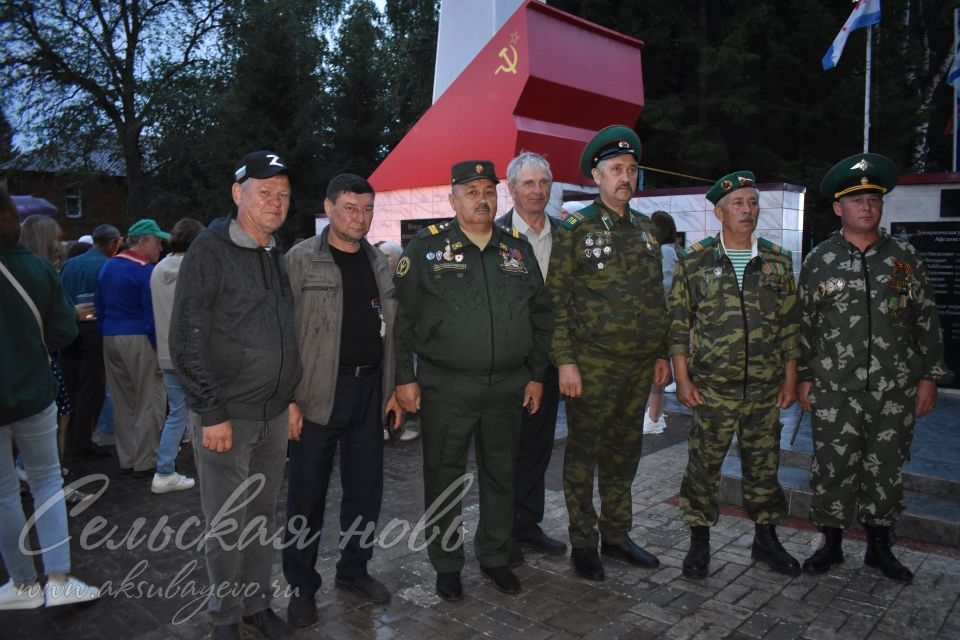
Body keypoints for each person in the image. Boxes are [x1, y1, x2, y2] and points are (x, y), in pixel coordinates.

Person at [393, 160, 552, 601]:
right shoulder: (426, 251)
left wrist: (537, 375)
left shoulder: (516, 251)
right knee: (443, 475)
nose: (481, 199)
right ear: (453, 199)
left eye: (488, 190)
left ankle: (496, 556)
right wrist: (404, 379)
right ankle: (446, 563)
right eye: (471, 191)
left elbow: (541, 315)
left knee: (501, 474)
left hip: (507, 387)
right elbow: (402, 321)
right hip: (447, 386)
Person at [798, 153, 953, 583]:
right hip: (834, 389)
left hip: (895, 389)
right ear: (838, 208)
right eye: (857, 200)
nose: (867, 206)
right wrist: (805, 379)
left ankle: (879, 547)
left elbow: (926, 321)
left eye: (873, 198)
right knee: (832, 467)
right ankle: (829, 544)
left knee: (885, 467)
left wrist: (929, 377)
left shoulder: (905, 259)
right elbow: (804, 325)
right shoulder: (819, 261)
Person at [171, 150, 302, 640]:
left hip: (272, 414)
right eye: (264, 192)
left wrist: (288, 398)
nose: (275, 202)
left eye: (283, 194)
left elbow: (281, 332)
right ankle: (226, 616)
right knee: (227, 523)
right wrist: (210, 411)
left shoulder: (273, 251)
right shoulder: (211, 249)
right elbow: (187, 335)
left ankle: (256, 605)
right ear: (237, 193)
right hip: (228, 416)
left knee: (261, 517)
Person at [546, 125, 669, 582]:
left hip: (638, 366)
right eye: (616, 169)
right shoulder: (576, 229)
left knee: (625, 453)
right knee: (583, 454)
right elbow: (556, 301)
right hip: (592, 365)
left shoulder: (646, 231)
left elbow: (656, 297)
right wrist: (565, 360)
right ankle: (583, 542)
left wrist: (659, 353)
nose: (625, 177)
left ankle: (616, 534)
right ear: (597, 176)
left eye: (631, 169)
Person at [283, 174, 403, 627]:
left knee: (365, 492)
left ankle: (354, 569)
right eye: (350, 207)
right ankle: (301, 585)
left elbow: (390, 331)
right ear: (329, 207)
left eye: (367, 208)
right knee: (306, 496)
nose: (360, 217)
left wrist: (391, 388)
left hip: (369, 392)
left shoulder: (379, 262)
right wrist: (289, 400)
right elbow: (283, 335)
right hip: (316, 394)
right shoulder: (300, 260)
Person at [668, 172, 801, 580]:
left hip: (763, 388)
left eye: (753, 202)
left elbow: (791, 326)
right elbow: (677, 325)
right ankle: (699, 543)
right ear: (720, 211)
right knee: (703, 467)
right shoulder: (696, 260)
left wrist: (790, 379)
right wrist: (683, 379)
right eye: (739, 203)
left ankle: (766, 540)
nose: (748, 210)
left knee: (764, 467)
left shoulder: (777, 261)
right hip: (712, 388)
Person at [0, 187, 100, 609]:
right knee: (45, 482)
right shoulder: (33, 268)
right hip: (33, 390)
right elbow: (63, 332)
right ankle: (58, 578)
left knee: (3, 492)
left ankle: (21, 584)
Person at [495, 151, 567, 567]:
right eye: (528, 183)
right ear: (512, 189)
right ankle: (500, 532)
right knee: (504, 450)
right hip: (508, 365)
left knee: (538, 447)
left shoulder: (566, 235)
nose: (537, 190)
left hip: (550, 362)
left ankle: (527, 523)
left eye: (543, 182)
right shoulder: (495, 234)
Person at [97, 218, 168, 478]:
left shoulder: (109, 266)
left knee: (123, 401)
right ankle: (145, 460)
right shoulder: (145, 271)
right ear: (143, 241)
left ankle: (127, 457)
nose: (160, 247)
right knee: (149, 400)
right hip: (139, 338)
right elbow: (152, 315)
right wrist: (157, 346)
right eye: (157, 241)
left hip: (111, 336)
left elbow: (99, 306)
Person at [149, 217, 204, 494]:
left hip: (167, 353)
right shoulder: (197, 269)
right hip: (195, 353)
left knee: (177, 414)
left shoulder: (158, 269)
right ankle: (192, 467)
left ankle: (165, 468)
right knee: (205, 410)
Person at [59, 224, 121, 459]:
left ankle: (72, 438)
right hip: (93, 331)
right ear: (114, 243)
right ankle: (81, 442)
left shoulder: (70, 265)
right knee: (90, 388)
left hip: (68, 331)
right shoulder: (106, 266)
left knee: (72, 386)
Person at [643, 211, 678, 434]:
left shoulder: (663, 251)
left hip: (660, 320)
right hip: (667, 318)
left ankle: (654, 417)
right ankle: (655, 415)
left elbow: (663, 286)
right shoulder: (670, 251)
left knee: (655, 372)